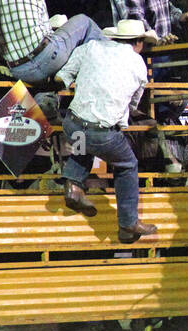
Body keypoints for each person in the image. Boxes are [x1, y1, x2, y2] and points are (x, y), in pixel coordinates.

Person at [57, 19, 160, 245]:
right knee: (127, 164)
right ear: (139, 42)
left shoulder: (92, 47)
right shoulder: (138, 64)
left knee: (85, 141)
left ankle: (73, 186)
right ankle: (127, 223)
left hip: (72, 123)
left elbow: (63, 76)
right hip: (101, 132)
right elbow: (133, 103)